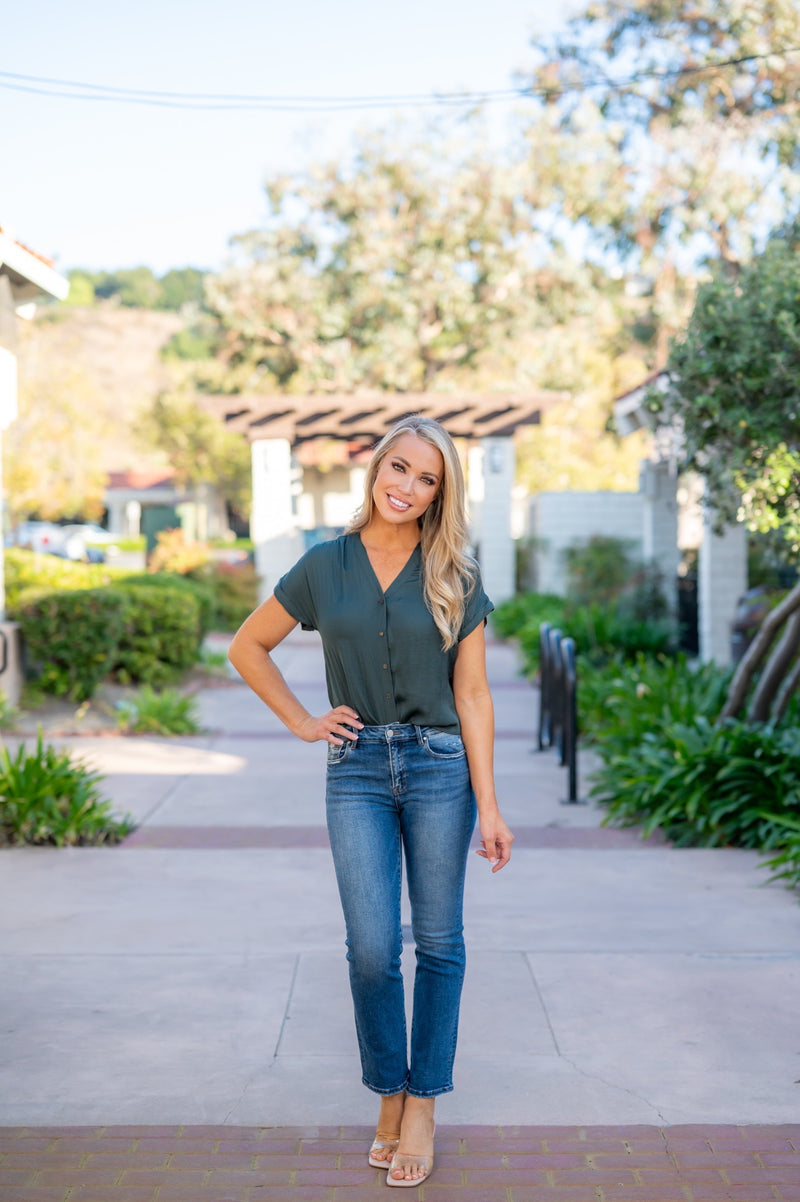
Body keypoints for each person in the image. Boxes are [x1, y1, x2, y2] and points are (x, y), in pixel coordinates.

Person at [228, 415, 513, 1187]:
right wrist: (301, 720)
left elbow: (476, 694)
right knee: (369, 948)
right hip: (355, 769)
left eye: (427, 479)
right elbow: (246, 646)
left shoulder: (454, 570)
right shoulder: (326, 566)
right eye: (399, 468)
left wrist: (490, 806)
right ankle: (387, 1088)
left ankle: (422, 1102)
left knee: (442, 943)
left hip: (439, 768)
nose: (407, 488)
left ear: (440, 494)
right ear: (375, 468)